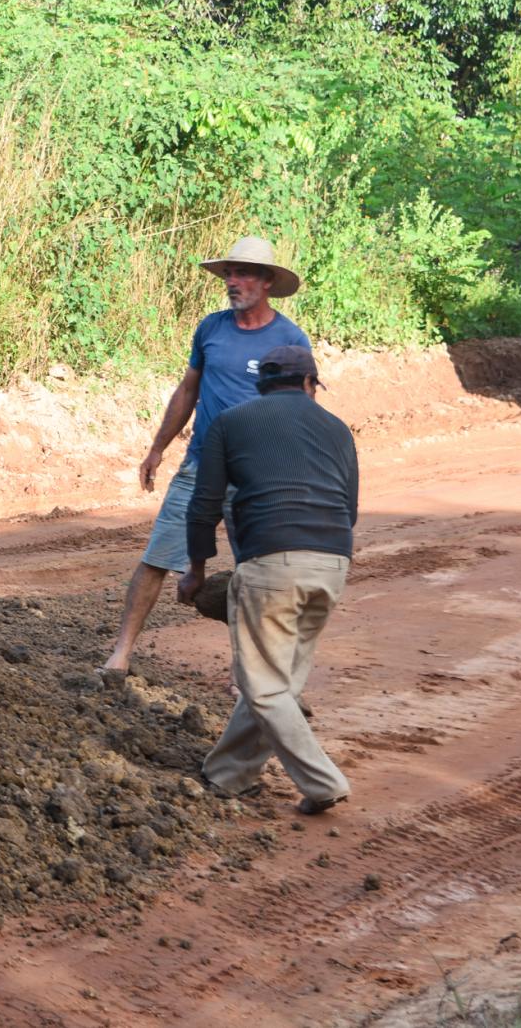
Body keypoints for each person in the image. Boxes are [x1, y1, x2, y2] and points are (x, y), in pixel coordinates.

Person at [101, 236, 310, 677]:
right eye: (228, 274)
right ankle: (120, 654)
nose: (233, 282)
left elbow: (301, 405)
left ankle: (247, 675)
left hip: (258, 474)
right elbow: (188, 390)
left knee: (255, 572)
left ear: (267, 281)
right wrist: (158, 447)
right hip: (200, 463)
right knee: (157, 558)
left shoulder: (290, 339)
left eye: (243, 273)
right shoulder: (210, 329)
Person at [177, 345, 358, 816]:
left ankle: (324, 782)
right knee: (280, 683)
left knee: (263, 687)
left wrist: (195, 571)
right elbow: (350, 508)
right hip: (333, 563)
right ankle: (228, 774)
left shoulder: (230, 423)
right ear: (308, 384)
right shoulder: (338, 429)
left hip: (271, 564)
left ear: (262, 385)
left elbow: (204, 505)